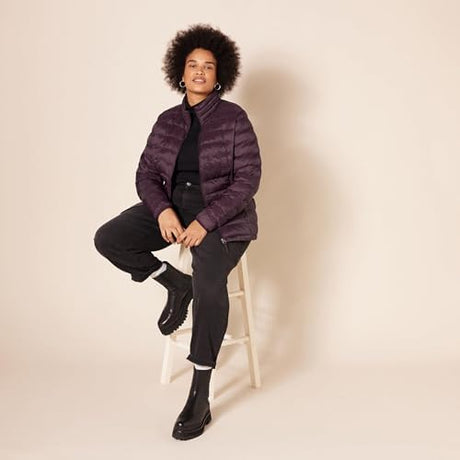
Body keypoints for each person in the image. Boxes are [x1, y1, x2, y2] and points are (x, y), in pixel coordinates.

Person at [93, 23, 262, 440]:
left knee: (209, 282)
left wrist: (206, 220)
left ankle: (200, 393)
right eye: (192, 65)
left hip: (224, 218)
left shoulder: (234, 119)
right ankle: (173, 282)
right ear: (181, 73)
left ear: (219, 75)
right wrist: (163, 210)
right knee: (109, 238)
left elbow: (248, 180)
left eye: (208, 66)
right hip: (175, 208)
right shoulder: (167, 121)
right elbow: (146, 174)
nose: (200, 71)